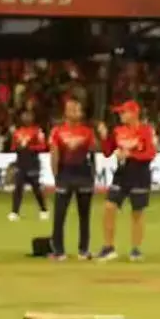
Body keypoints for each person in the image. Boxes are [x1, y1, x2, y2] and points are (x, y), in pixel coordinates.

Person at [96, 100, 157, 262]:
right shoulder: (118, 131)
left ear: (134, 113)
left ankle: (136, 249)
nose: (121, 115)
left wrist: (131, 155)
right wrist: (104, 137)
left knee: (137, 212)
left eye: (124, 112)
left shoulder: (145, 131)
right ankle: (108, 247)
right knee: (109, 207)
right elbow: (107, 152)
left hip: (140, 174)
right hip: (122, 173)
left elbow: (150, 154)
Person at [48, 98, 96, 261]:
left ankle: (84, 250)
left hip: (83, 173)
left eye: (78, 109)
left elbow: (95, 150)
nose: (77, 112)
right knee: (59, 215)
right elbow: (54, 154)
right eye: (73, 109)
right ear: (66, 112)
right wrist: (56, 175)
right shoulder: (57, 131)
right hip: (65, 173)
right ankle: (59, 251)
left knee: (84, 215)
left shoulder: (87, 131)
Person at [8, 111, 49, 222]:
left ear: (32, 118)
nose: (26, 118)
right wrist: (19, 147)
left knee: (36, 188)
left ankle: (43, 210)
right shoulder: (17, 132)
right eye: (24, 116)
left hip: (33, 163)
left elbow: (43, 146)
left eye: (28, 116)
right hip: (21, 163)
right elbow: (12, 147)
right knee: (18, 188)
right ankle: (14, 212)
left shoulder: (37, 131)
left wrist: (29, 147)